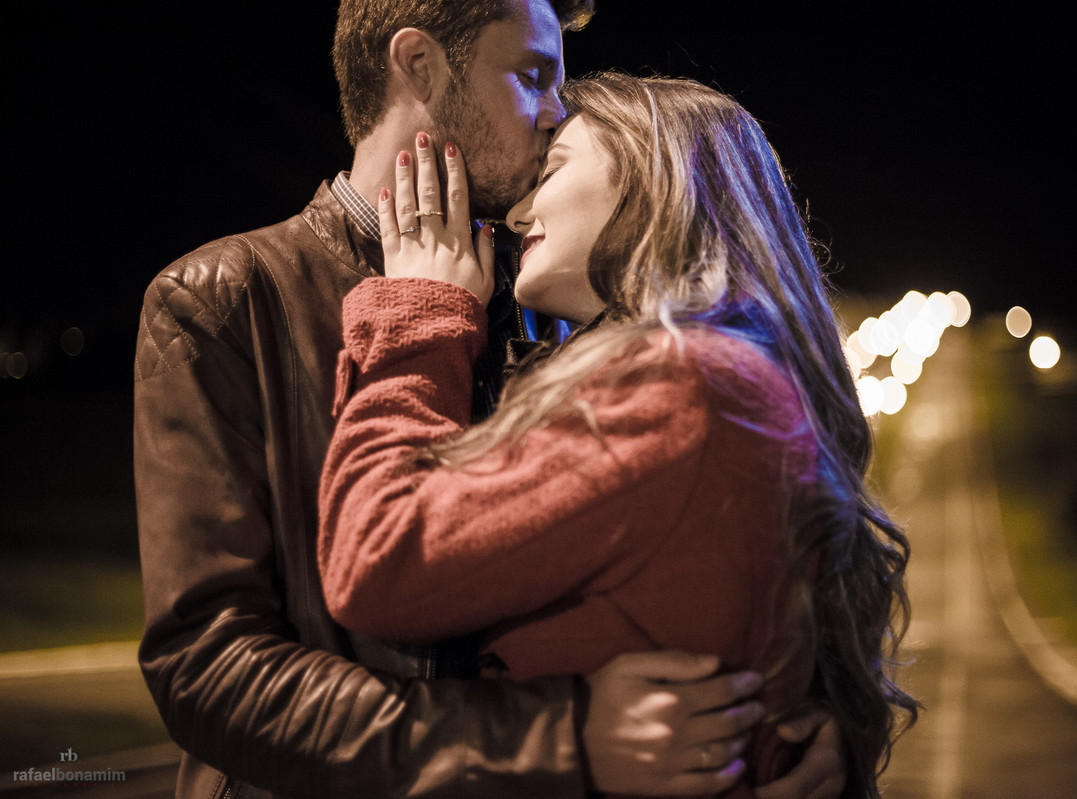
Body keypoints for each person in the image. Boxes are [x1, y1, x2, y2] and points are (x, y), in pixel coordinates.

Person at [134, 0, 846, 796]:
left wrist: (784, 727)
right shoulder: (224, 298)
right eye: (533, 76)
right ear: (420, 67)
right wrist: (555, 736)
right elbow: (207, 668)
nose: (555, 114)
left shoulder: (556, 286)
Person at [318, 72, 919, 798]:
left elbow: (379, 557)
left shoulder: (680, 387)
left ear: (650, 177)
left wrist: (417, 320)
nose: (516, 214)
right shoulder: (731, 371)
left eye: (552, 170)